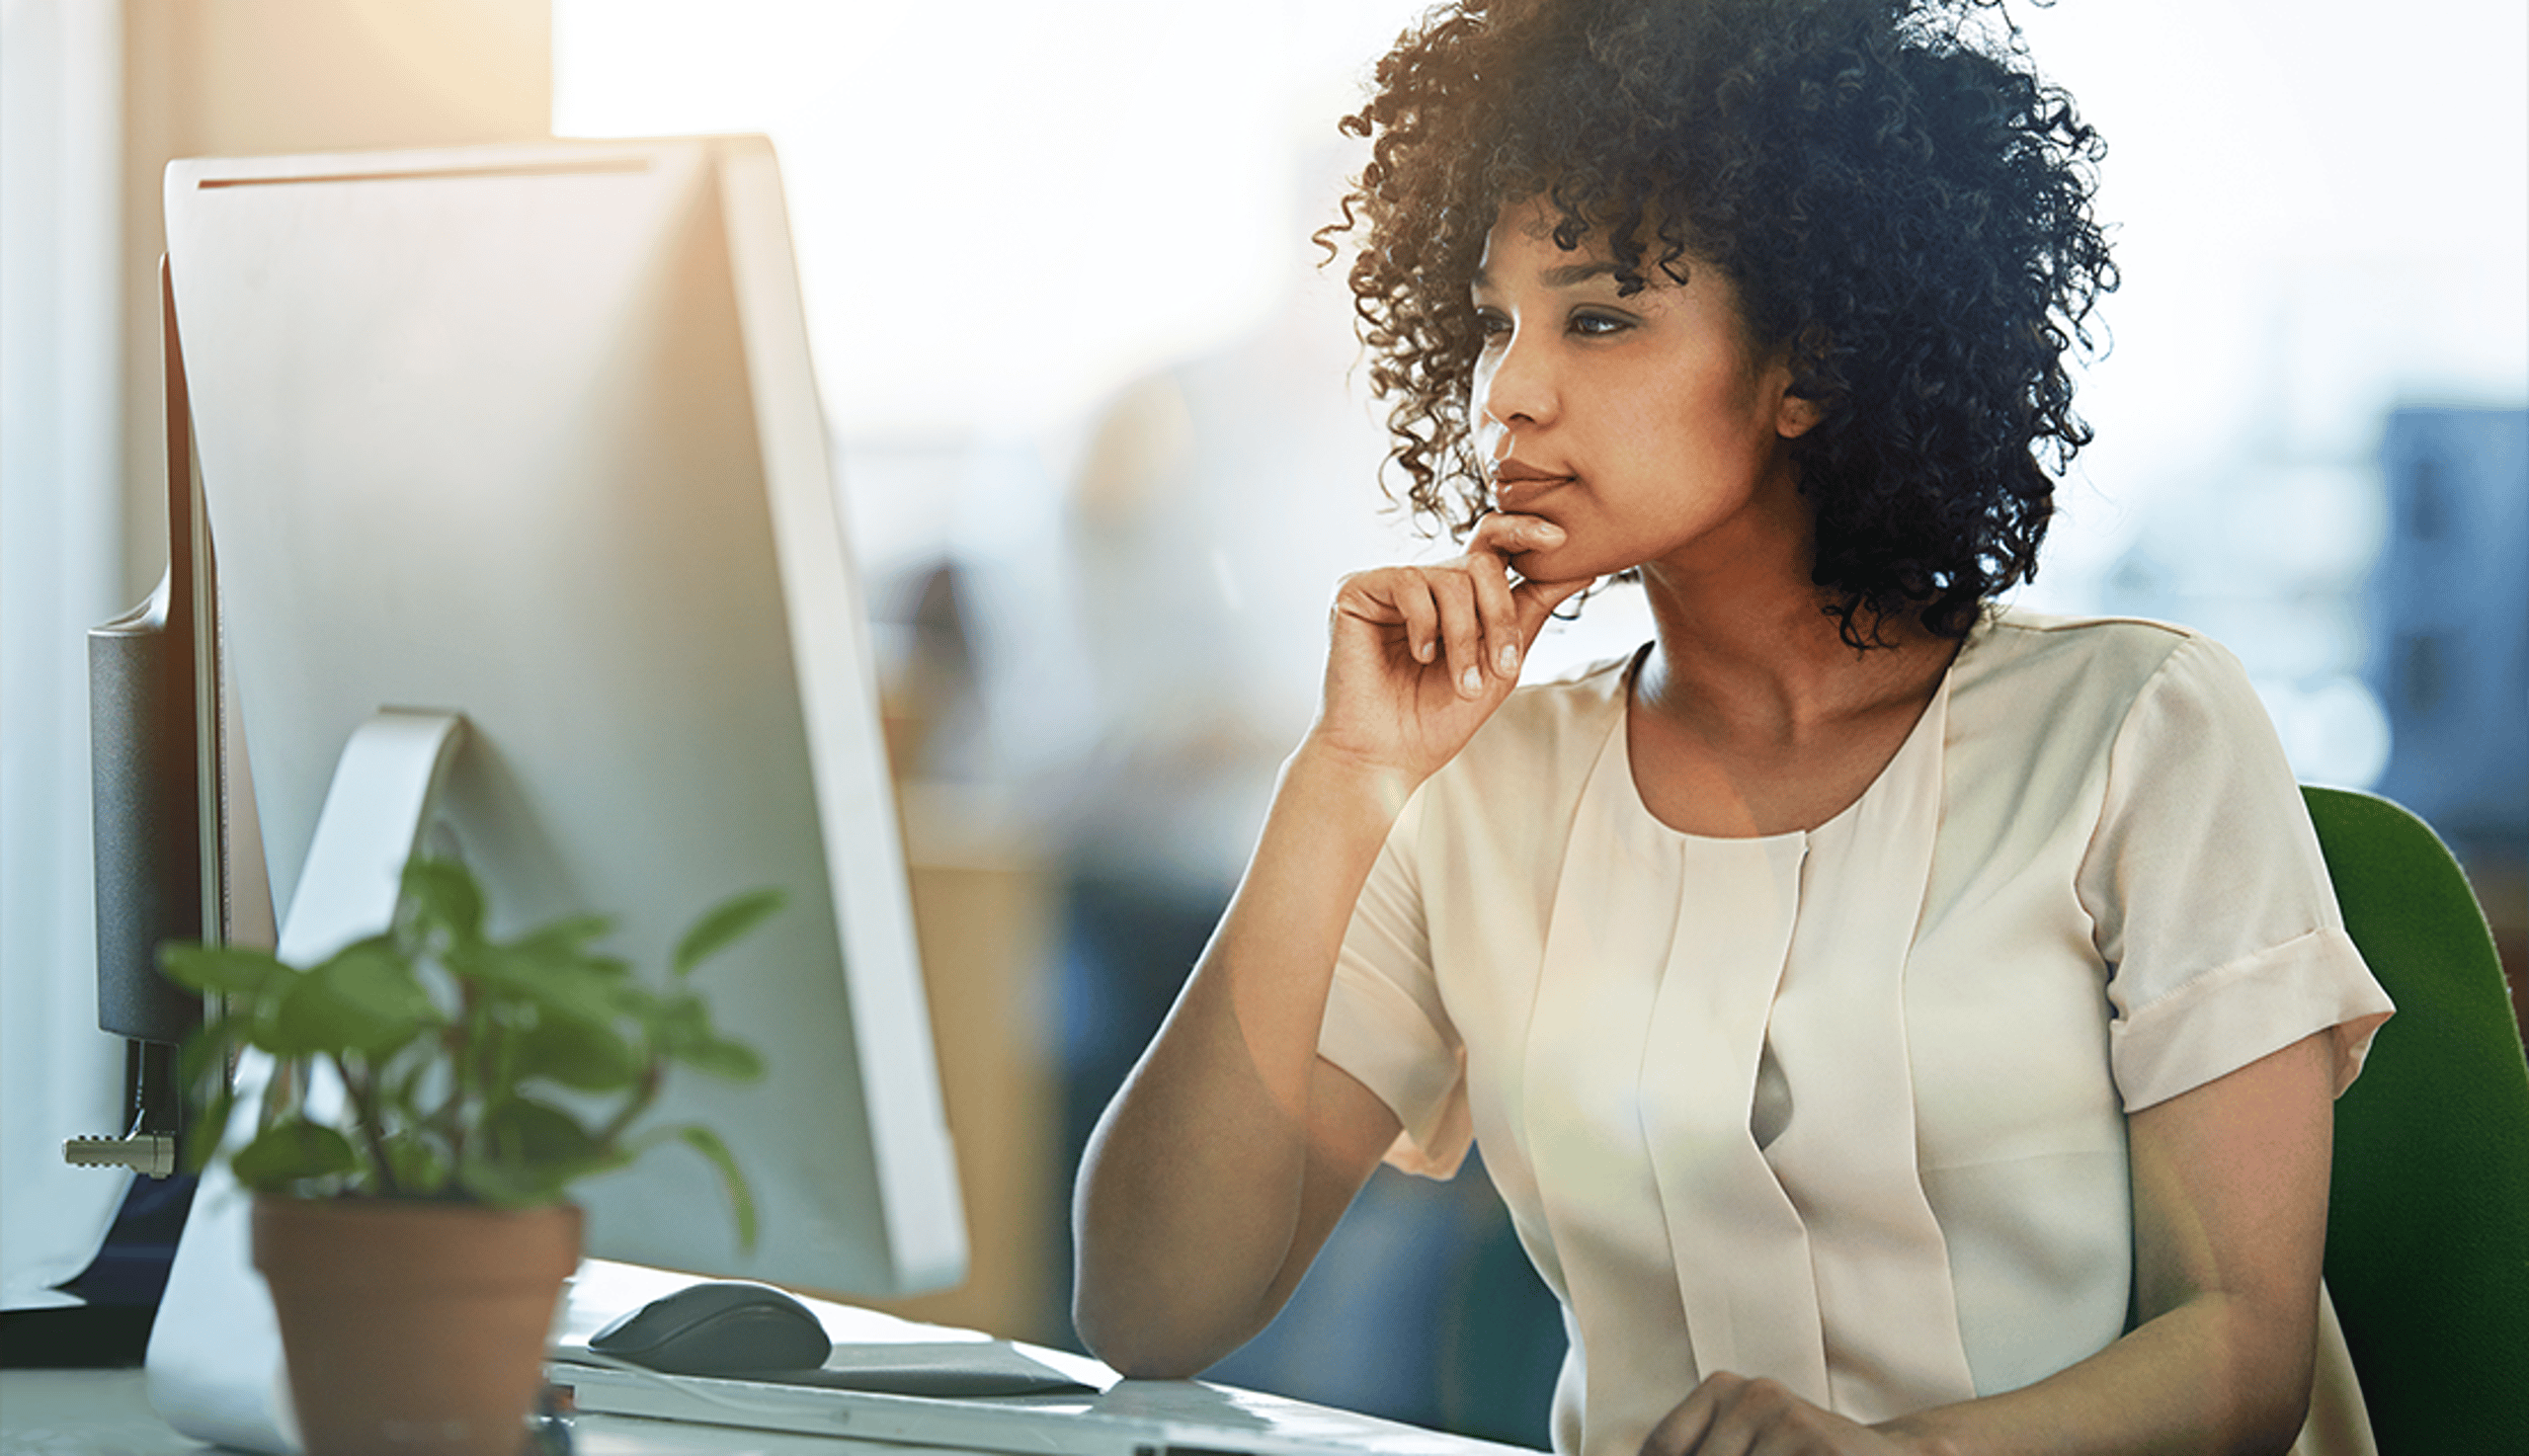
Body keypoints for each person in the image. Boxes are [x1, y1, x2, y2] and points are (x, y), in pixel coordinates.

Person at [1070, 1, 2395, 1452]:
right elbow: (1151, 1307)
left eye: (1599, 314)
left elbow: (2245, 1354)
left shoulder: (2138, 728)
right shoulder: (1482, 787)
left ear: (1809, 365)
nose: (1509, 390)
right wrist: (1346, 777)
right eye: (1495, 324)